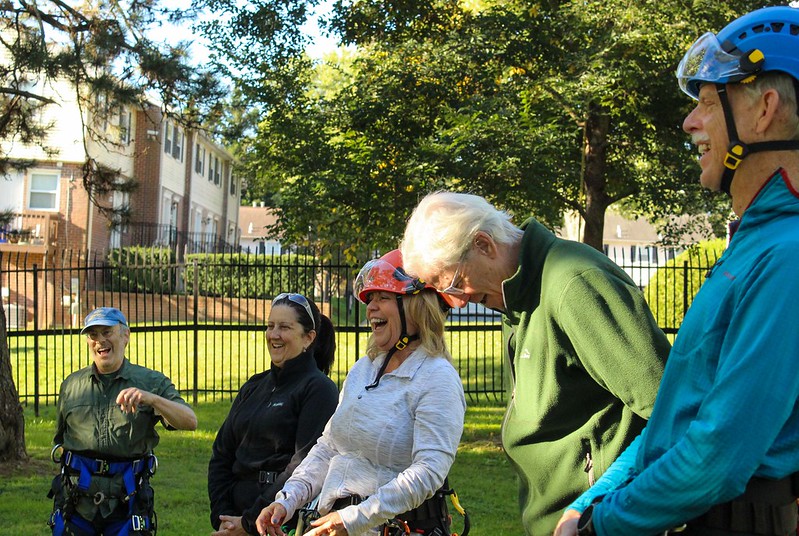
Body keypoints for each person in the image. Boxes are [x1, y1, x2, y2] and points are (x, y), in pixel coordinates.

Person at [553, 5, 799, 536]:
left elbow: (718, 454)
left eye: (709, 102)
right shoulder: (752, 245)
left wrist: (603, 524)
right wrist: (591, 501)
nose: (690, 121)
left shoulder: (788, 255)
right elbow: (676, 417)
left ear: (765, 111)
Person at [400, 192, 671, 535]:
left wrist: (598, 501)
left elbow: (669, 407)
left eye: (453, 282)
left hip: (598, 520)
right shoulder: (511, 294)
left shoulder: (574, 283)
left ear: (483, 244)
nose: (456, 300)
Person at [254, 250, 466, 536]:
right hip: (331, 521)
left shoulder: (437, 377)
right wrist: (287, 500)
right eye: (369, 299)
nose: (371, 308)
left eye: (383, 298)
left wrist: (354, 518)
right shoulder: (363, 369)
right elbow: (329, 447)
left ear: (416, 306)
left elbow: (429, 472)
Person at [49, 307, 197, 535]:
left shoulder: (150, 382)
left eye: (107, 332)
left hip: (127, 503)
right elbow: (61, 440)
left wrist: (153, 400)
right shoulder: (71, 386)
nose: (100, 341)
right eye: (93, 335)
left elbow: (189, 420)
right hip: (77, 505)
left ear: (125, 335)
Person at [208, 293, 339, 535]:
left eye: (284, 327)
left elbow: (303, 464)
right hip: (232, 520)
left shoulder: (319, 390)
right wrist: (222, 517)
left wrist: (249, 523)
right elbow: (221, 454)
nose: (274, 335)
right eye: (270, 326)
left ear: (308, 338)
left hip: (279, 520)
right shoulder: (254, 386)